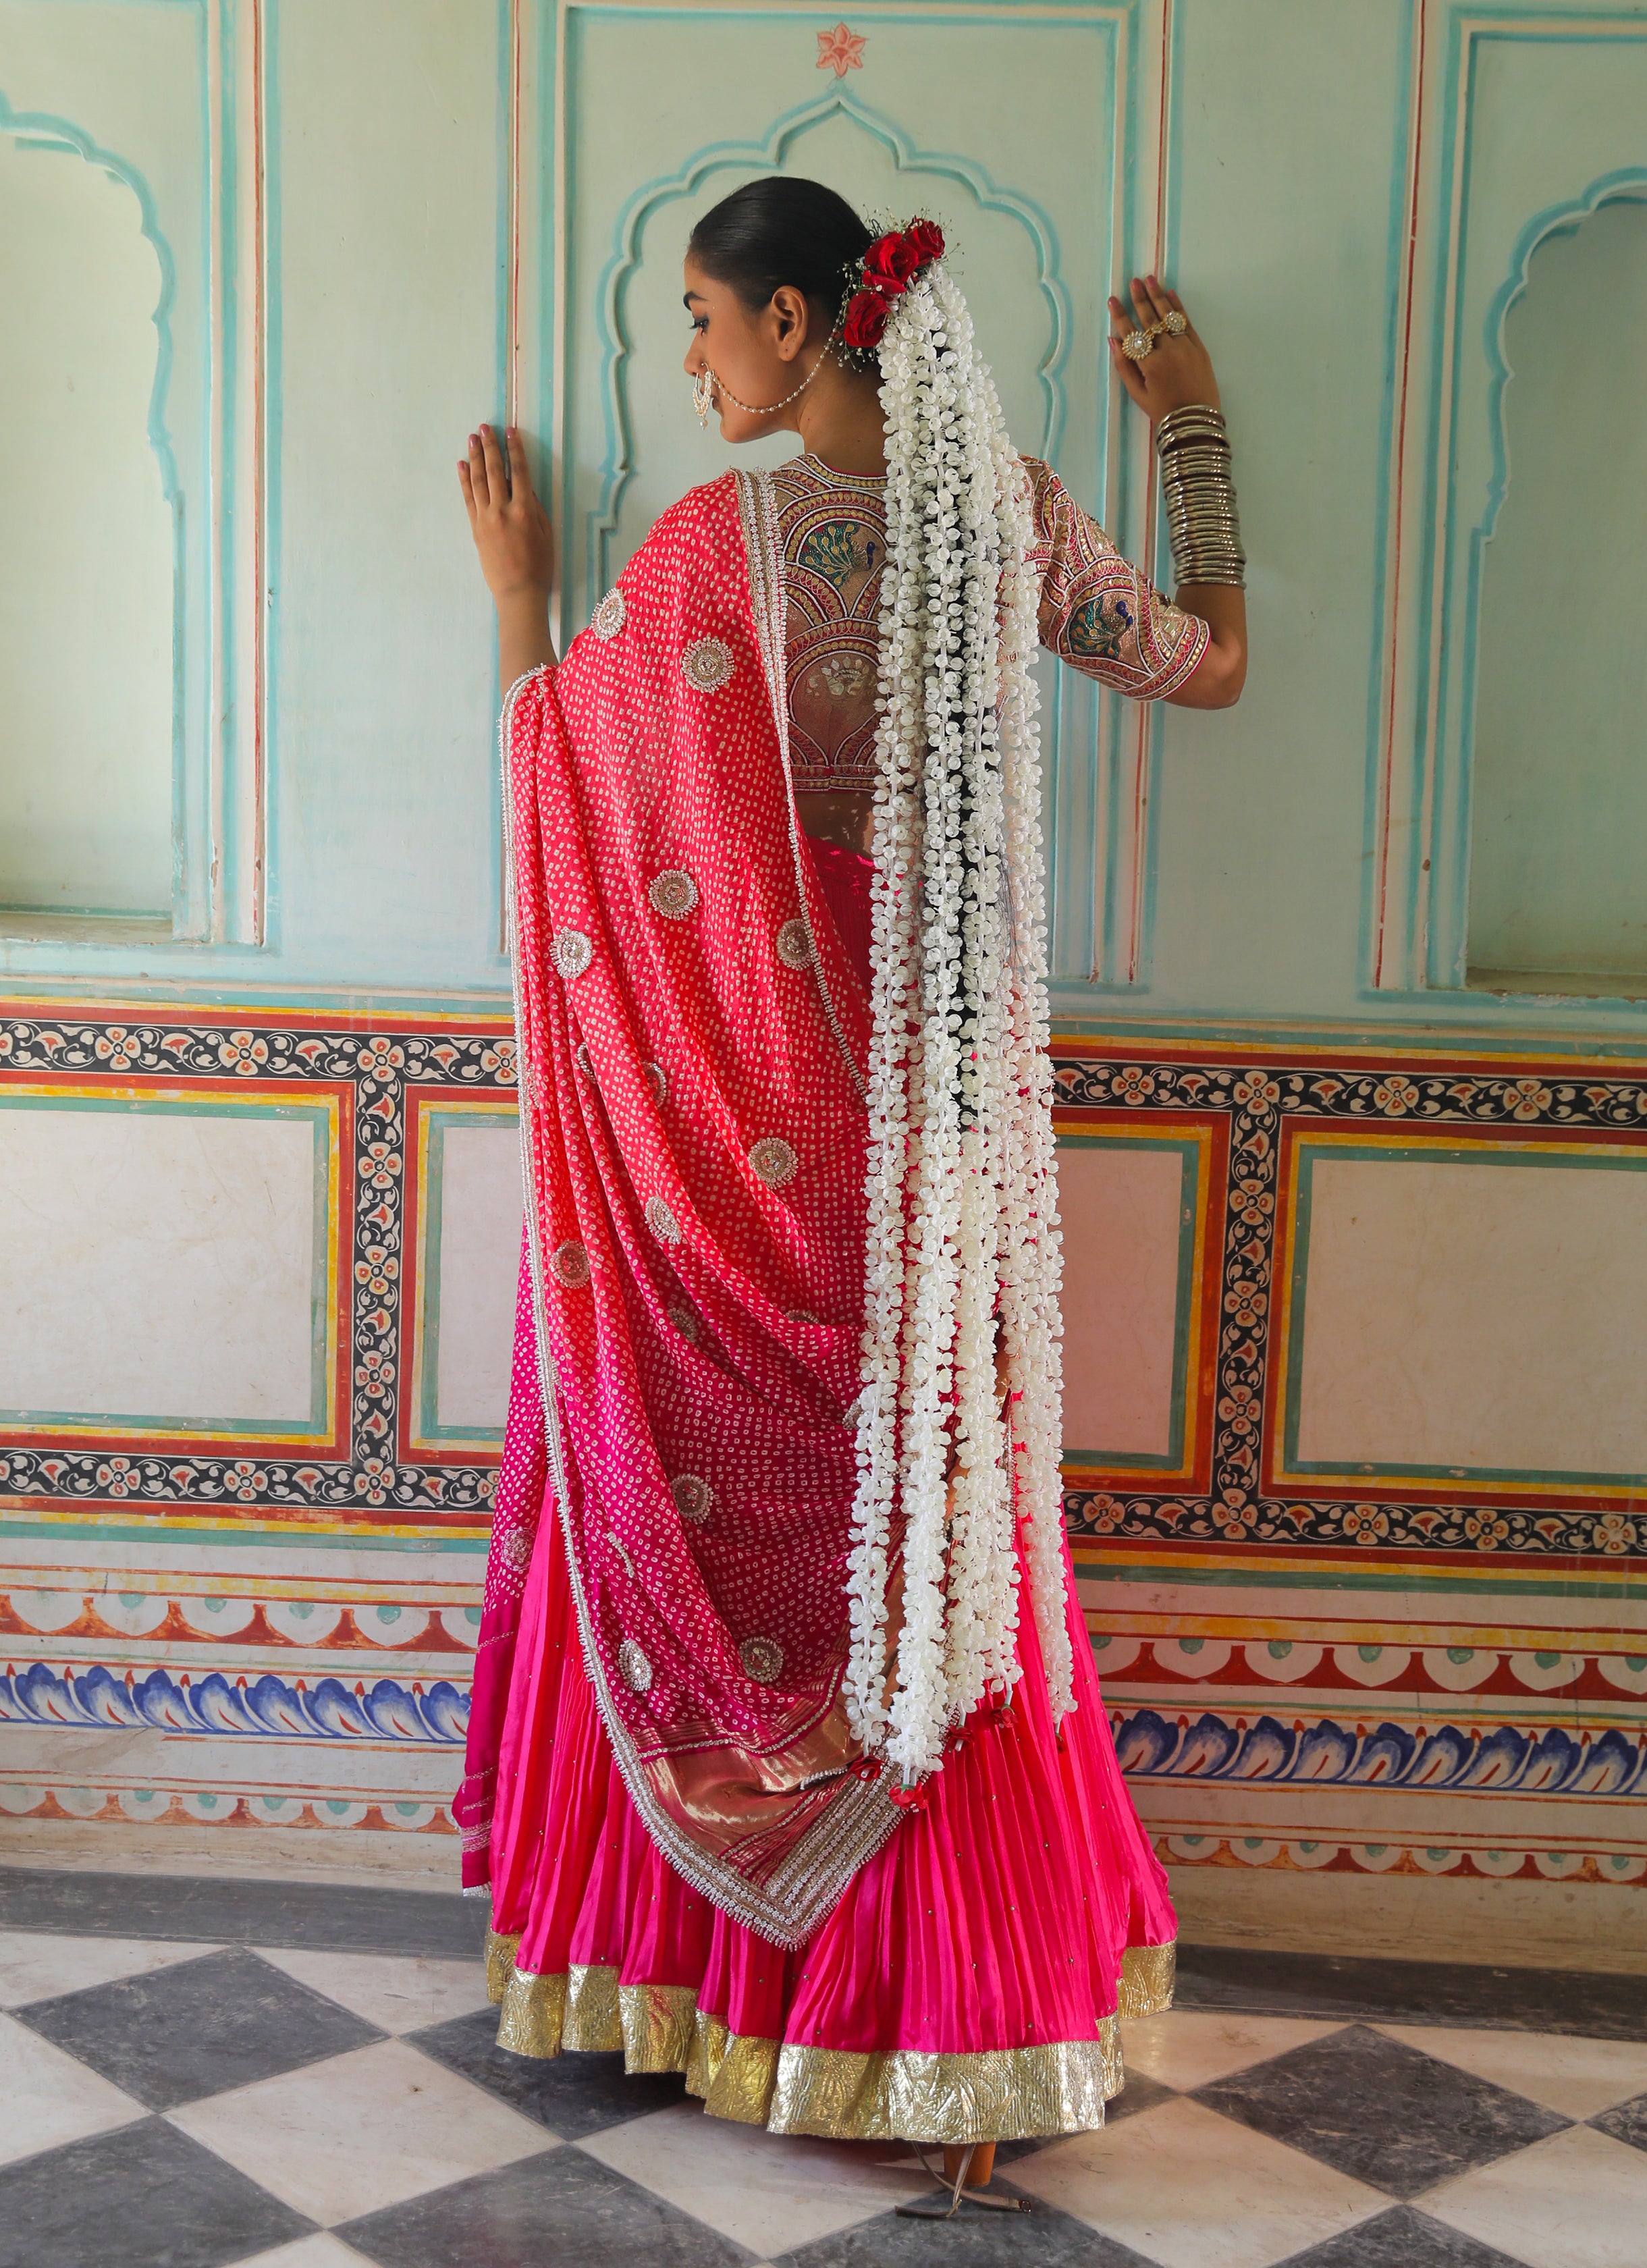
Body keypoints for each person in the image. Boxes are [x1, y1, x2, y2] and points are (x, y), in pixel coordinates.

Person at [454, 176, 1245, 2207]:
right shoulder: (1015, 526)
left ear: (805, 324)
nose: (693, 364)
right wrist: (1200, 437)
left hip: (739, 1170)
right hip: (936, 1176)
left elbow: (568, 783)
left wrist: (518, 606)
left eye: (705, 323)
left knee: (742, 1533)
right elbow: (1210, 666)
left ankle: (694, 1990)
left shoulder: (720, 551)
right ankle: (963, 2041)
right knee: (941, 1561)